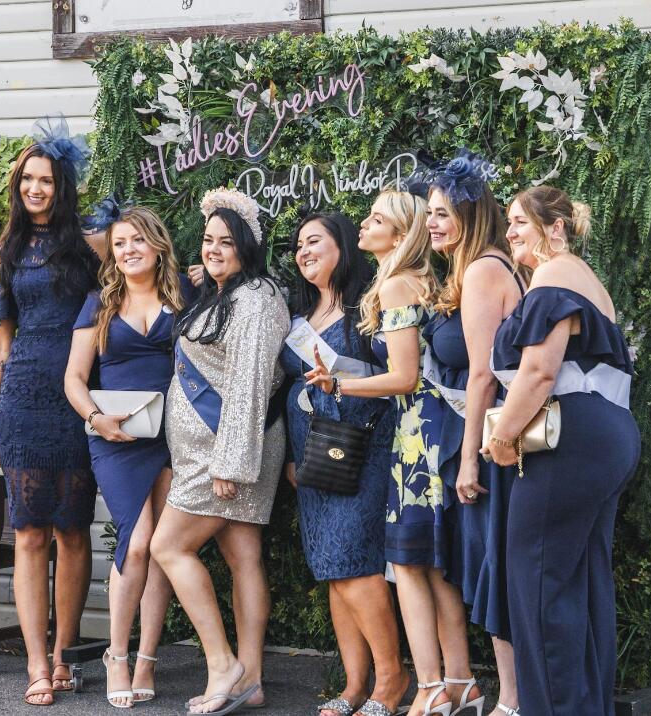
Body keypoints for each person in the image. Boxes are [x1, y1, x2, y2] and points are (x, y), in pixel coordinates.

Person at [307, 189, 469, 716]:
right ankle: (454, 683)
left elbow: (404, 376)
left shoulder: (399, 283)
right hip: (430, 428)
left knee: (415, 563)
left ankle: (428, 687)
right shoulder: (418, 280)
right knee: (432, 567)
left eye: (375, 220)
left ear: (399, 236)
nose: (363, 225)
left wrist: (339, 386)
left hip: (418, 433)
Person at [483, 186, 641, 716]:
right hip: (609, 435)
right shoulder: (588, 282)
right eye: (507, 224)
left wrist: (502, 436)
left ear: (555, 227)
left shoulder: (553, 275)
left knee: (539, 583)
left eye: (518, 222)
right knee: (582, 580)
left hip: (571, 440)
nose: (509, 233)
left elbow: (539, 371)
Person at [150, 188, 290, 715]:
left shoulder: (254, 300)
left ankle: (222, 664)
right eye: (209, 240)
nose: (214, 250)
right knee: (242, 556)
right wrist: (205, 281)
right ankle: (250, 680)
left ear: (247, 247)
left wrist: (230, 464)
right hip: (210, 453)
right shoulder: (229, 293)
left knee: (169, 547)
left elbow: (250, 385)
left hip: (225, 456)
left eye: (226, 242)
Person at [0, 116, 104, 706]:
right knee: (30, 532)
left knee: (73, 529)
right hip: (23, 397)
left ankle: (65, 655)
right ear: (18, 185)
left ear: (63, 185)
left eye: (47, 180)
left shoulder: (88, 243)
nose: (36, 189)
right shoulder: (6, 250)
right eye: (28, 179)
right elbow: (0, 340)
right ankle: (34, 662)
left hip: (78, 396)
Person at [65, 202, 196, 708]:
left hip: (172, 436)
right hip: (114, 438)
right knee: (137, 542)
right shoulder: (97, 303)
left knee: (162, 546)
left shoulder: (185, 295)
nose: (127, 251)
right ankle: (116, 654)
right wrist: (96, 419)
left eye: (136, 241)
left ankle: (147, 657)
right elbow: (75, 379)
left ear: (156, 244)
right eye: (119, 244)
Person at [280, 212, 410, 716]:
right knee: (333, 569)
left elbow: (396, 373)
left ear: (341, 249)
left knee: (356, 563)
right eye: (298, 246)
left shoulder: (366, 309)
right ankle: (355, 684)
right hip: (312, 455)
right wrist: (292, 457)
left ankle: (391, 678)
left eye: (314, 241)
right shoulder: (299, 312)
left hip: (361, 449)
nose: (303, 251)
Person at [416, 151, 524, 716]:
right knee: (486, 565)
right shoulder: (471, 270)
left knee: (494, 566)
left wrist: (469, 460)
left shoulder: (484, 268)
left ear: (469, 215)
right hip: (477, 437)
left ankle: (511, 700)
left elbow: (483, 372)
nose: (431, 222)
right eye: (429, 212)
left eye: (441, 213)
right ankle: (508, 695)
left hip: (488, 445)